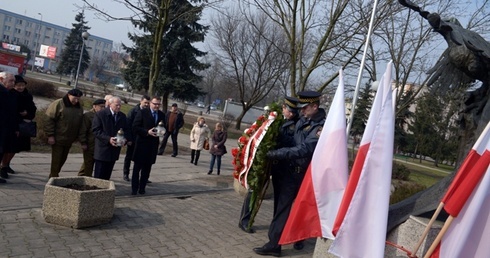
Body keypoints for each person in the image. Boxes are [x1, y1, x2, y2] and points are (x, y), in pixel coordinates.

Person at [253, 91, 326, 257]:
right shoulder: (304, 119)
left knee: (283, 209)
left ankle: (274, 245)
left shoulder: (319, 126)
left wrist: (276, 153)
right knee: (280, 208)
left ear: (315, 106)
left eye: (305, 107)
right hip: (286, 170)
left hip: (298, 174)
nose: (301, 110)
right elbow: (292, 139)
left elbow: (304, 149)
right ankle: (294, 238)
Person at [239, 96, 300, 234]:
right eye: (288, 110)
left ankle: (276, 226)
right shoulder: (274, 118)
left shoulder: (297, 124)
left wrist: (277, 139)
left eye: (293, 112)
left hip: (282, 165)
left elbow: (293, 142)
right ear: (283, 107)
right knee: (254, 190)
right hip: (265, 161)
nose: (291, 114)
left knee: (280, 199)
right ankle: (245, 220)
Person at [1, 75, 37, 176]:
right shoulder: (10, 94)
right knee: (7, 147)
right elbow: (9, 110)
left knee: (16, 148)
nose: (21, 87)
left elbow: (33, 108)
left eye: (23, 85)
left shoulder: (28, 95)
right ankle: (3, 166)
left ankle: (7, 164)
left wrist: (27, 113)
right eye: (18, 85)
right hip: (12, 124)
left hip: (23, 125)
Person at [44, 88, 84, 178]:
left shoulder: (79, 107)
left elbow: (80, 123)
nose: (76, 100)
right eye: (74, 98)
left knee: (63, 159)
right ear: (69, 95)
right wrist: (50, 135)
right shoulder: (59, 103)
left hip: (69, 140)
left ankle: (54, 175)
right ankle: (53, 177)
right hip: (58, 138)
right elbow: (49, 119)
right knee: (56, 160)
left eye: (78, 98)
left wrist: (78, 138)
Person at [131, 96, 165, 195]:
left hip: (152, 146)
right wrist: (147, 132)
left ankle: (142, 188)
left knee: (147, 169)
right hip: (142, 144)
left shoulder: (161, 115)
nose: (156, 106)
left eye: (158, 104)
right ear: (150, 103)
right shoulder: (143, 112)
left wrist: (163, 131)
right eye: (155, 104)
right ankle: (134, 188)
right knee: (137, 169)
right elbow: (135, 127)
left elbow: (164, 127)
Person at [92, 96, 129, 180]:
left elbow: (127, 130)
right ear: (109, 104)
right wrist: (108, 139)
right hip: (102, 150)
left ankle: (105, 192)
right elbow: (96, 130)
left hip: (114, 151)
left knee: (107, 176)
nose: (119, 107)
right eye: (116, 105)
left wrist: (125, 139)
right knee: (99, 176)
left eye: (120, 105)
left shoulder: (122, 116)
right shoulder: (101, 114)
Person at [123, 95, 150, 181]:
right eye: (145, 102)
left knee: (141, 159)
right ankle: (126, 173)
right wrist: (129, 139)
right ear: (140, 101)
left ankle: (142, 176)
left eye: (148, 103)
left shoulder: (148, 112)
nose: (146, 104)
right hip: (133, 139)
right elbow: (127, 126)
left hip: (143, 140)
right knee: (129, 157)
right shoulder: (133, 111)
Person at [77, 99, 105, 177]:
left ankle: (80, 177)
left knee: (88, 164)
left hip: (98, 145)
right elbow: (83, 130)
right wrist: (83, 142)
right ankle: (86, 180)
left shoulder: (103, 115)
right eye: (101, 107)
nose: (103, 108)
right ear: (94, 106)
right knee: (88, 165)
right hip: (89, 144)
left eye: (104, 107)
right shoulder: (88, 116)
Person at [0, 72, 16, 182]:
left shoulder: (8, 92)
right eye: (11, 81)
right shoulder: (2, 92)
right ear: (1, 79)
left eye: (14, 81)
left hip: (5, 128)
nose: (13, 83)